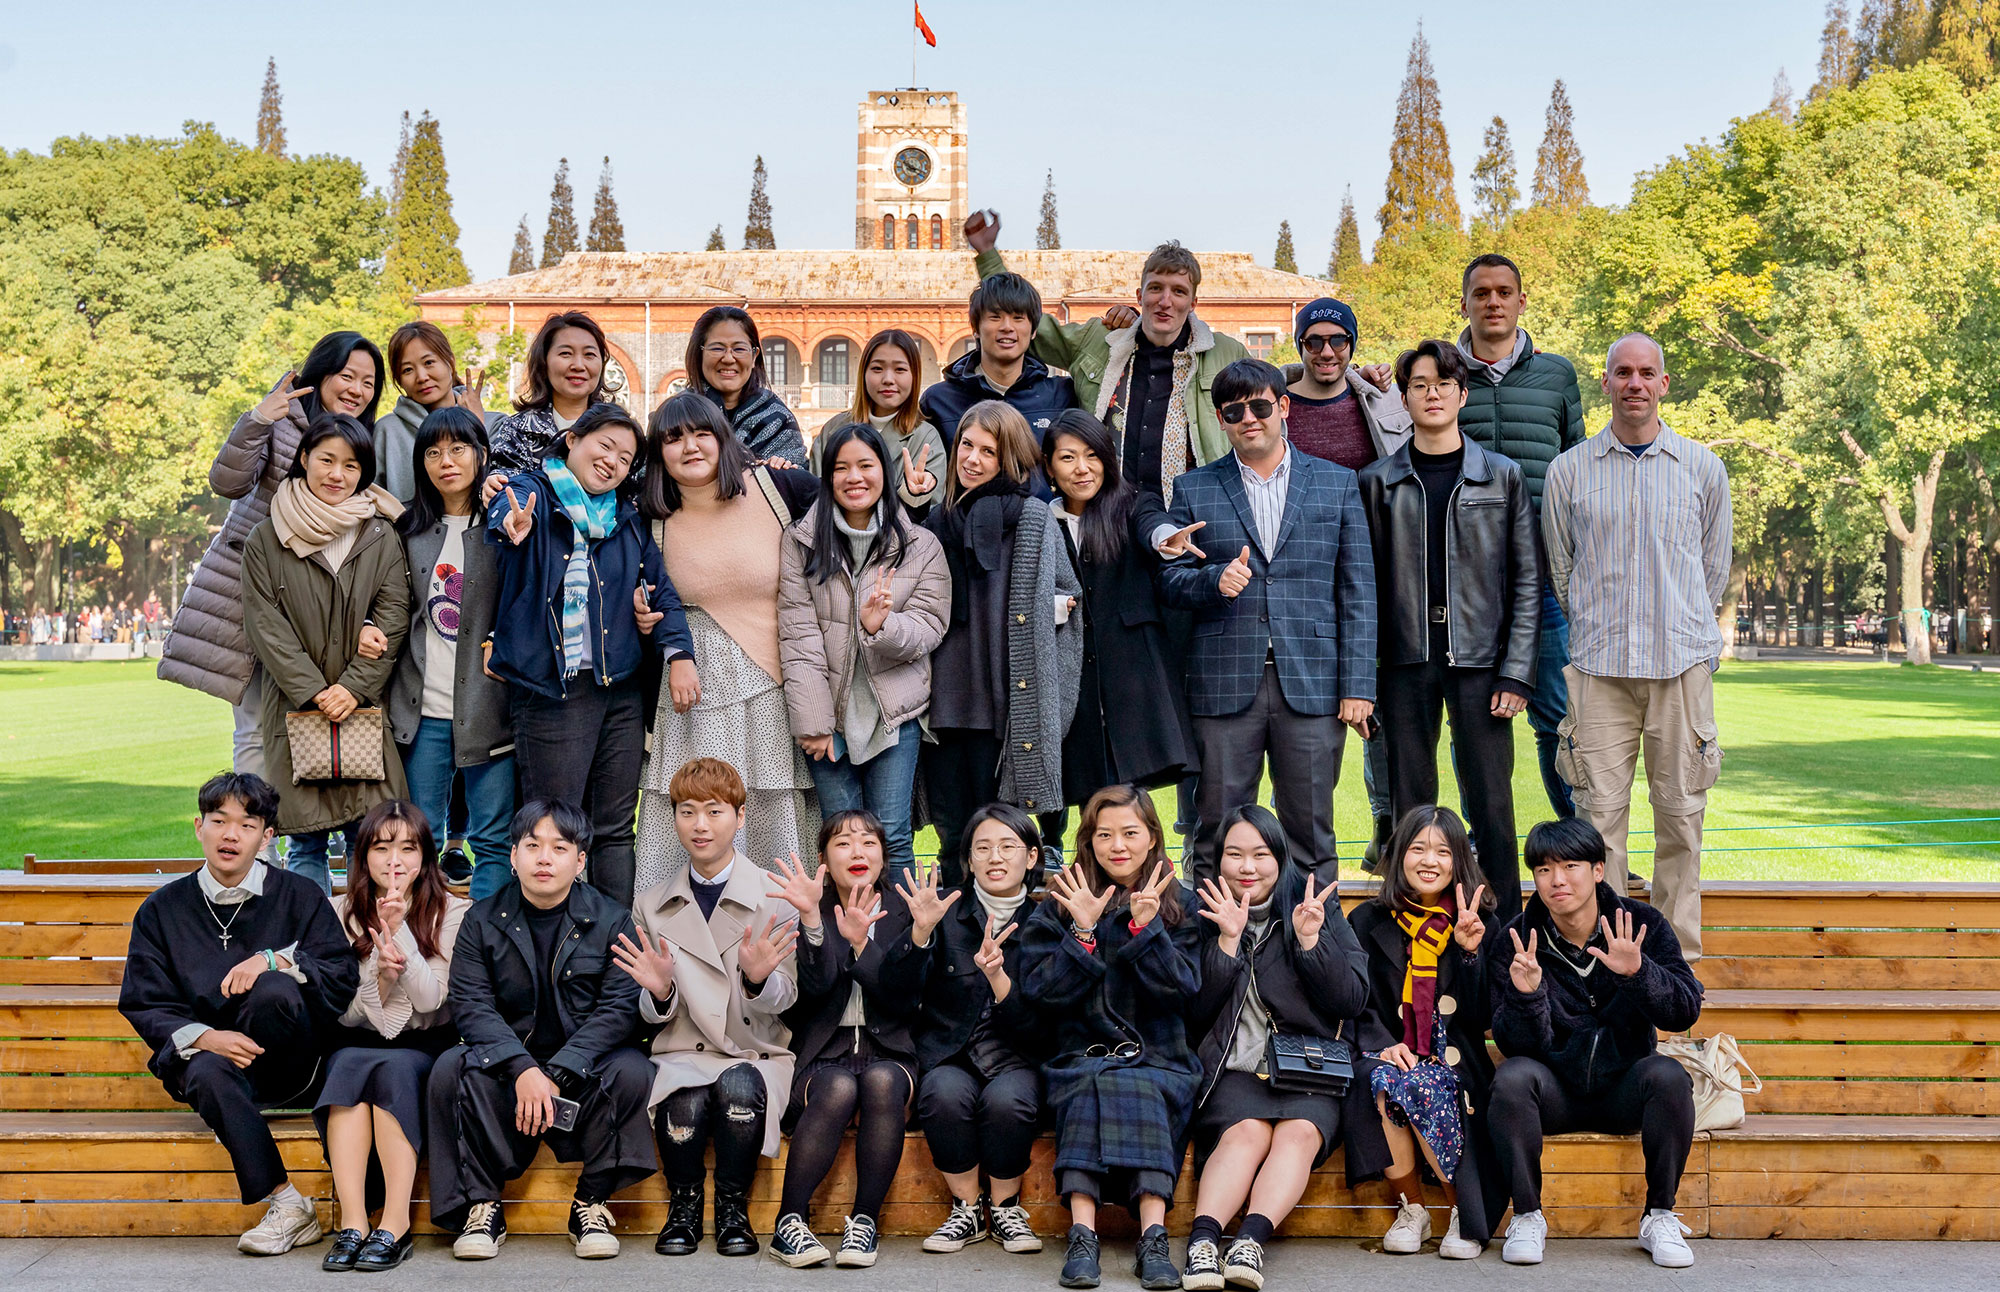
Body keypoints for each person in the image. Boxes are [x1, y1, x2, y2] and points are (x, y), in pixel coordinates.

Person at [1543, 333, 1732, 957]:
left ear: (1663, 384)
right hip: (1599, 672)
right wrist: (1605, 624)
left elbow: (1712, 568)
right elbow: (1563, 572)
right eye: (1622, 373)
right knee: (1599, 825)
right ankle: (1606, 954)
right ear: (1606, 383)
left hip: (1680, 668)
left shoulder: (1703, 468)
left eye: (1646, 373)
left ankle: (1677, 960)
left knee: (1681, 817)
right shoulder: (1569, 472)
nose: (1635, 384)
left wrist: (1683, 630)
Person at [118, 772, 360, 1257]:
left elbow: (340, 974)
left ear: (267, 837)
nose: (230, 835)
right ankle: (288, 1203)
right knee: (206, 1070)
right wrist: (207, 1038)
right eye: (218, 821)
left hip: (293, 1064)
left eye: (247, 824)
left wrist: (273, 959)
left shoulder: (299, 895)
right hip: (217, 1070)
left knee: (273, 988)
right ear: (198, 827)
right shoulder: (161, 910)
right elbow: (144, 1001)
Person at [1159, 359, 1376, 883]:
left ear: (1283, 407)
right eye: (1235, 411)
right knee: (1217, 832)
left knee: (1311, 833)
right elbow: (1171, 585)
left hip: (1313, 683)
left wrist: (1358, 686)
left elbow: (1359, 592)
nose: (1248, 419)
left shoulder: (1337, 482)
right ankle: (1216, 955)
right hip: (1223, 684)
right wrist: (1212, 581)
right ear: (1221, 419)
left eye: (1260, 406)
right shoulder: (1194, 488)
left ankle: (1316, 951)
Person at [428, 799, 658, 1262]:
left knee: (634, 1071)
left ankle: (590, 1203)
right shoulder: (480, 919)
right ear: (512, 857)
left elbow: (617, 1010)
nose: (544, 857)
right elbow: (472, 1005)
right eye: (532, 845)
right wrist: (521, 1069)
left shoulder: (612, 919)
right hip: (509, 1066)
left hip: (582, 1067)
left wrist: (554, 1073)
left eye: (559, 846)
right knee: (450, 1069)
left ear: (581, 861)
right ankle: (483, 1205)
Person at [1357, 341, 1539, 922]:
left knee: (1491, 804)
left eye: (1442, 384)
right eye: (1418, 385)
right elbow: (1362, 588)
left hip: (1481, 663)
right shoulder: (1378, 482)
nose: (1431, 394)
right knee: (1412, 805)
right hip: (1404, 662)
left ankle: (1504, 929)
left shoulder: (1501, 476)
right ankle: (1411, 927)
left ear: (1462, 394)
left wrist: (1516, 670)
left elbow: (1527, 582)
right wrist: (1365, 677)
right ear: (1403, 397)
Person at [485, 403, 694, 909]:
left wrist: (679, 653)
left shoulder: (626, 517)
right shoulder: (533, 491)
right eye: (605, 446)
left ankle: (615, 947)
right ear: (573, 439)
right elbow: (505, 516)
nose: (613, 462)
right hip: (552, 689)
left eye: (625, 458)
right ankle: (552, 948)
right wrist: (513, 526)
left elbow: (659, 588)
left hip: (618, 687)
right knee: (554, 828)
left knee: (616, 828)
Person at [161, 332, 386, 801]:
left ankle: (318, 842)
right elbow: (226, 481)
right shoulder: (282, 423)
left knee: (323, 727)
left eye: (368, 382)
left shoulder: (366, 443)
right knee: (252, 732)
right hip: (252, 597)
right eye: (347, 376)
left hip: (323, 609)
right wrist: (258, 419)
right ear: (320, 374)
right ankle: (260, 853)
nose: (356, 390)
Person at [1487, 817, 1704, 1269]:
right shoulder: (1516, 940)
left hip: (1624, 1085)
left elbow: (1683, 1011)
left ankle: (1659, 1215)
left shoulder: (1641, 924)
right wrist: (1528, 996)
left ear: (1599, 870)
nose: (1557, 880)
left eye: (1570, 866)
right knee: (1511, 1078)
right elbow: (1514, 1042)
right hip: (1555, 1091)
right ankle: (1527, 1216)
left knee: (1669, 1076)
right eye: (1543, 870)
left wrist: (1638, 974)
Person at [1019, 785, 1202, 1291]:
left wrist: (1148, 931)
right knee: (1089, 1084)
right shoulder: (1060, 900)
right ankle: (1083, 1236)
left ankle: (1154, 1239)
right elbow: (1039, 992)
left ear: (1152, 839)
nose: (1117, 845)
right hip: (1080, 1053)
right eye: (1104, 834)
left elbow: (1184, 991)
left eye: (1129, 833)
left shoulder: (1177, 902)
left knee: (1139, 1086)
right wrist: (1081, 932)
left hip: (1159, 1056)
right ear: (1088, 840)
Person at [617, 758, 802, 1259]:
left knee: (738, 1085)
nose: (700, 825)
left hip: (754, 1049)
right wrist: (658, 993)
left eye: (715, 811)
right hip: (683, 1045)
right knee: (686, 1096)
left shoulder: (773, 893)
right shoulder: (652, 903)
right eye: (687, 811)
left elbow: (788, 998)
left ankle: (732, 1208)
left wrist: (759, 978)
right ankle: (683, 1207)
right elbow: (650, 1008)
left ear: (740, 818)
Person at [633, 391, 819, 889]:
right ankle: (677, 944)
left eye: (701, 434)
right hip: (692, 686)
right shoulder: (651, 518)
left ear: (722, 439)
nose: (689, 447)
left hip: (770, 680)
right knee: (696, 804)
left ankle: (780, 943)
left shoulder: (776, 487)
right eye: (673, 439)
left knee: (768, 806)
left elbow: (858, 506)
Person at [1181, 804, 1368, 1291]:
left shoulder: (1313, 907)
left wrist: (1310, 943)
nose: (1247, 868)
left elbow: (1351, 997)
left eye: (1261, 855)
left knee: (1298, 1134)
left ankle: (1250, 1243)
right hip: (1234, 1069)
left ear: (1280, 859)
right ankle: (1202, 1244)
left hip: (1309, 1071)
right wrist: (1226, 942)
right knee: (1246, 1134)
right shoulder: (1201, 912)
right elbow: (1192, 1013)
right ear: (1218, 860)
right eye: (1235, 855)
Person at [240, 412, 412, 893]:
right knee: (306, 845)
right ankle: (311, 951)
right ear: (303, 459)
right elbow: (266, 626)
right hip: (297, 711)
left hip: (362, 711)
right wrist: (317, 692)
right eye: (327, 460)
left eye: (352, 465)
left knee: (374, 841)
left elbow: (395, 612)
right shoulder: (267, 537)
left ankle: (373, 955)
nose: (338, 474)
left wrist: (353, 687)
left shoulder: (380, 533)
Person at [966, 214, 1245, 504]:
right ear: (1139, 295)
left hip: (1191, 518)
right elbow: (1028, 327)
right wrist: (987, 256)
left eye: (1178, 291)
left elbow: (1268, 397)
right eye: (1155, 288)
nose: (1165, 301)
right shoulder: (1100, 342)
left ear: (1193, 303)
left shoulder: (1225, 354)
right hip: (1108, 519)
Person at [778, 418, 951, 877]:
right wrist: (813, 723)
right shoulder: (800, 543)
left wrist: (882, 626)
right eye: (841, 467)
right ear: (827, 475)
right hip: (828, 717)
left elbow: (931, 625)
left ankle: (903, 942)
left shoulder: (920, 544)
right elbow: (798, 636)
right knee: (840, 835)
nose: (854, 477)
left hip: (894, 714)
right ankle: (840, 944)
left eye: (866, 465)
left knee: (890, 835)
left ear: (885, 472)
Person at [921, 400, 1082, 883]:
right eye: (965, 446)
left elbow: (1066, 597)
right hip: (946, 702)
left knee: (1006, 841)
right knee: (953, 841)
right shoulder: (937, 518)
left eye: (987, 451)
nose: (971, 459)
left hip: (1006, 705)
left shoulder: (1032, 518)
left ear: (1008, 458)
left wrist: (1045, 612)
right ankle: (953, 944)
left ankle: (1011, 945)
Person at [1457, 254, 1588, 819]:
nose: (1493, 301)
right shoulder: (1440, 373)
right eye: (1481, 292)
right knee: (1472, 726)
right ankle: (1480, 861)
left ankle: (1584, 850)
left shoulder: (1556, 375)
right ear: (1463, 303)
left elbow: (1584, 470)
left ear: (1520, 302)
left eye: (1504, 292)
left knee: (1560, 722)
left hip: (1546, 583)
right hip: (1465, 585)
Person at [1282, 298, 1411, 866]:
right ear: (1300, 348)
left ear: (1353, 346)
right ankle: (1298, 843)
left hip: (1372, 568)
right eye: (1315, 342)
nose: (1328, 351)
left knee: (1376, 700)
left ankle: (1386, 823)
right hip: (1301, 574)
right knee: (1308, 708)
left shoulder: (1377, 402)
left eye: (1339, 341)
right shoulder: (1279, 405)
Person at [1345, 806, 1505, 1261]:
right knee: (1379, 1079)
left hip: (1454, 1054)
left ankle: (1462, 1211)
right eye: (1417, 849)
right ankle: (1412, 1208)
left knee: (1421, 1083)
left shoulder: (1478, 922)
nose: (1428, 860)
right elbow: (1357, 1002)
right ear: (1399, 857)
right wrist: (1381, 1044)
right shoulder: (1367, 922)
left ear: (1460, 861)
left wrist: (1470, 955)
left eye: (1442, 851)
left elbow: (1483, 1018)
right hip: (1392, 1049)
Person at [318, 799, 470, 1272]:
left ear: (425, 856)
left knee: (393, 1069)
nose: (395, 861)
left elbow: (431, 1001)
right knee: (346, 1066)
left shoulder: (455, 912)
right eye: (381, 848)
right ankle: (354, 1223)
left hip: (424, 1045)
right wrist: (380, 979)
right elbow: (342, 1014)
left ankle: (397, 1224)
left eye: (407, 848)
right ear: (363, 856)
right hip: (357, 1039)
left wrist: (400, 933)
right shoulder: (338, 911)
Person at [1040, 410, 1199, 859]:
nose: (1081, 468)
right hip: (1068, 674)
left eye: (1092, 455)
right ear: (1049, 465)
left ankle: (1150, 875)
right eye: (1067, 457)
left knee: (1130, 792)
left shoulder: (1132, 504)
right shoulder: (1039, 521)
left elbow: (1155, 527)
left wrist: (1167, 540)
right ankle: (1071, 867)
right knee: (1082, 787)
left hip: (1130, 669)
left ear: (1108, 459)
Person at [891, 804, 1049, 1256]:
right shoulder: (944, 911)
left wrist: (1000, 980)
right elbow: (899, 992)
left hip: (1019, 1052)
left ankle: (1004, 1207)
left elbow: (1042, 1022)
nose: (995, 857)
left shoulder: (1046, 922)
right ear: (969, 859)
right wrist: (920, 934)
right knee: (942, 1095)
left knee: (1008, 1102)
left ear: (1032, 857)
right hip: (951, 1052)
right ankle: (966, 1207)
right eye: (983, 848)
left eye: (1008, 847)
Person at [764, 812, 920, 1269]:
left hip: (890, 1052)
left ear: (883, 855)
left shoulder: (907, 909)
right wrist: (814, 919)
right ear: (823, 860)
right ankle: (789, 1221)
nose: (857, 852)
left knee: (881, 1082)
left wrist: (866, 946)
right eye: (843, 843)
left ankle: (864, 1222)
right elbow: (812, 991)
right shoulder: (809, 907)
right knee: (838, 1086)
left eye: (868, 842)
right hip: (823, 1054)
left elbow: (904, 1000)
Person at [385, 406, 517, 899]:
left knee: (492, 840)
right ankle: (422, 944)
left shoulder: (507, 525)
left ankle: (483, 951)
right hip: (424, 714)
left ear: (482, 455)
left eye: (459, 449)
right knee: (420, 839)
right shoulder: (407, 530)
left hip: (490, 710)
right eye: (434, 452)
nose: (447, 462)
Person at [919, 266, 1078, 448]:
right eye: (995, 317)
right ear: (975, 328)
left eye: (1018, 318)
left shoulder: (1061, 396)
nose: (1007, 327)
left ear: (1033, 330)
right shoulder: (939, 401)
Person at [811, 328, 948, 518]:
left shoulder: (925, 437)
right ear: (863, 373)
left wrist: (913, 496)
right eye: (877, 369)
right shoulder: (833, 430)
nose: (888, 380)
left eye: (900, 369)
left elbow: (932, 513)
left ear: (914, 376)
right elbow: (815, 499)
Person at [376, 320, 489, 502]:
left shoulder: (495, 424)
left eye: (429, 362)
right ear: (399, 380)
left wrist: (475, 426)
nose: (421, 377)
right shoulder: (387, 431)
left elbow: (501, 493)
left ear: (450, 362)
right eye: (407, 370)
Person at [487, 311, 611, 475]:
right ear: (544, 362)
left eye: (590, 355)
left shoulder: (616, 428)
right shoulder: (518, 430)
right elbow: (505, 486)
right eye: (565, 353)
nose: (579, 365)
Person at [686, 305, 809, 464]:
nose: (729, 359)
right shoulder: (678, 415)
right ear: (699, 354)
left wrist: (779, 472)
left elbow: (801, 480)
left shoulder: (776, 416)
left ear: (754, 356)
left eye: (739, 349)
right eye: (717, 348)